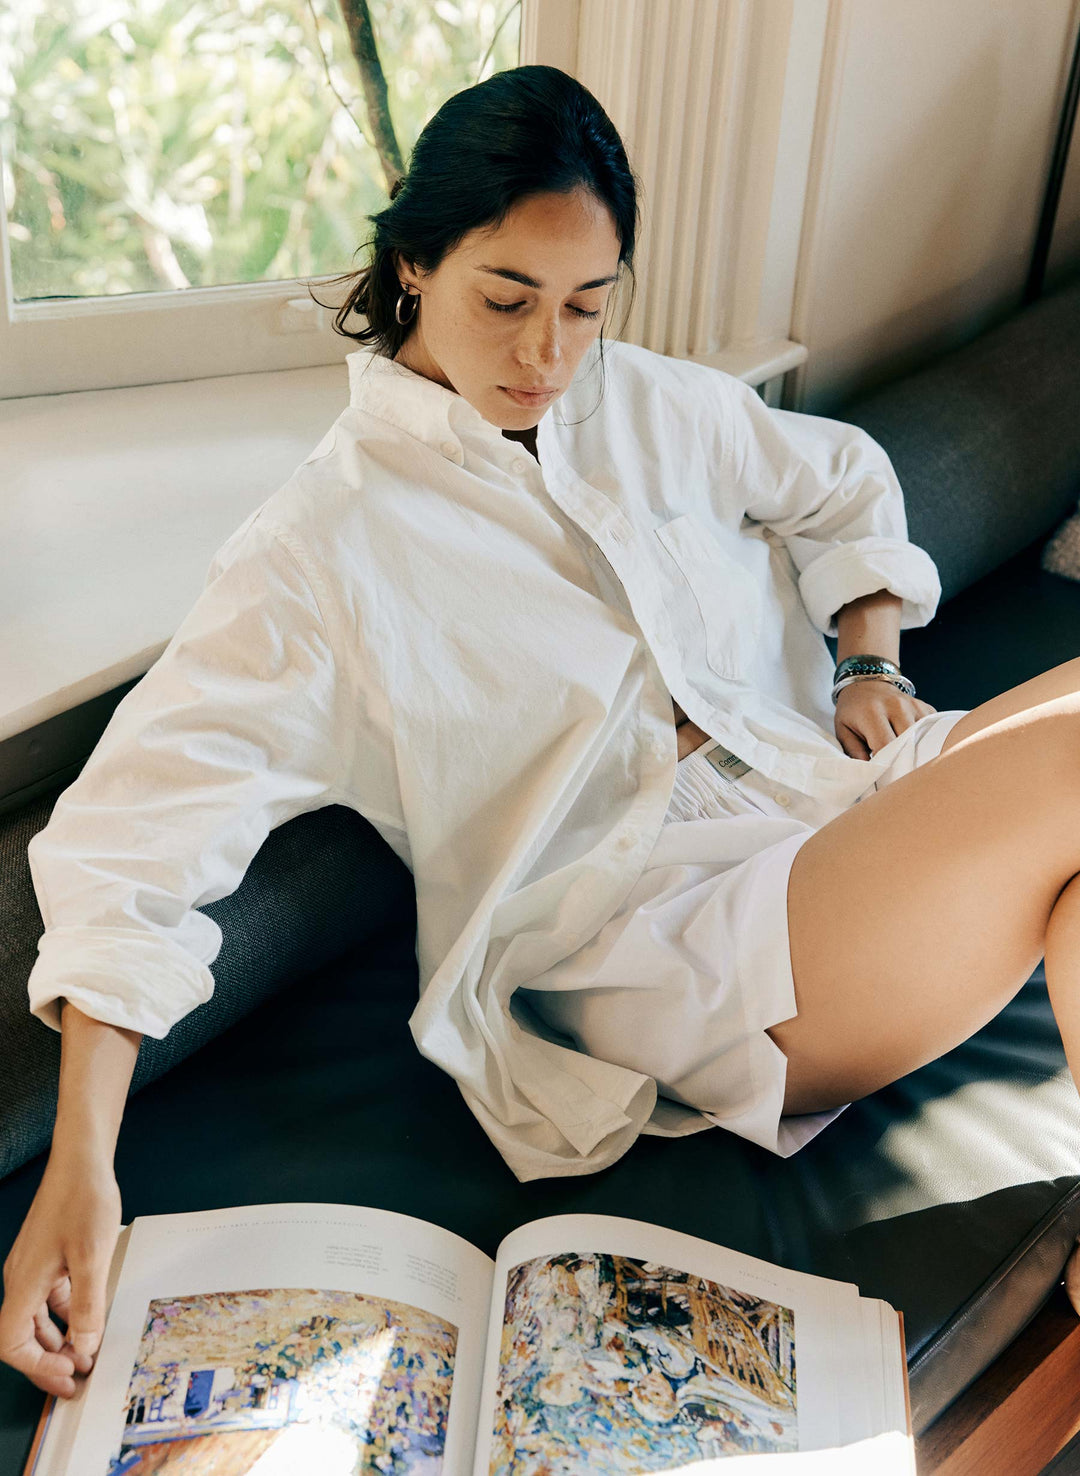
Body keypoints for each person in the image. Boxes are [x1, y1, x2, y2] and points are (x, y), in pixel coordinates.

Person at [3, 60, 1080, 1401]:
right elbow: (135, 845)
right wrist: (79, 1169)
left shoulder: (646, 402)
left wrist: (869, 661)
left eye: (586, 305)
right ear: (412, 266)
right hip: (671, 933)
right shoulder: (316, 552)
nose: (548, 355)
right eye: (505, 298)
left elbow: (844, 482)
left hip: (835, 789)